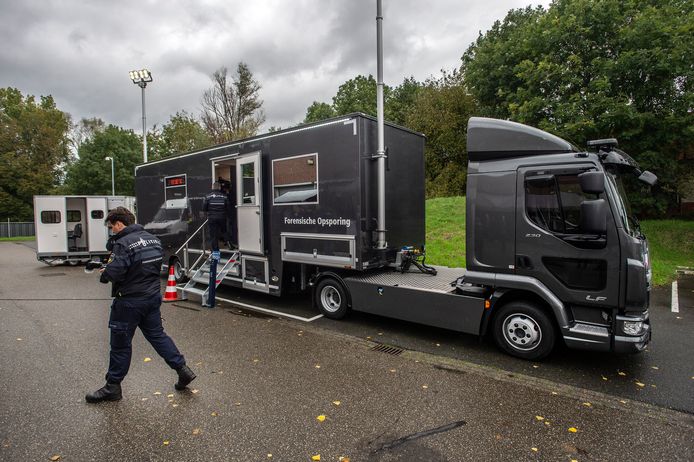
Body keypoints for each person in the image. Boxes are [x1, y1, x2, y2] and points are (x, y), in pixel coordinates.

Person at [86, 207, 196, 403]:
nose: (112, 231)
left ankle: (113, 387)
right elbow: (146, 266)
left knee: (120, 346)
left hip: (129, 301)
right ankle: (183, 370)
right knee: (158, 336)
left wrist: (104, 272)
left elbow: (114, 273)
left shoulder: (123, 243)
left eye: (112, 227)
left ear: (119, 223)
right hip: (151, 298)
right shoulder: (152, 239)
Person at [203, 181, 230, 251]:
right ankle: (229, 244)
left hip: (212, 218)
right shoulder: (224, 196)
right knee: (224, 231)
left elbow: (204, 208)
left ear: (212, 187)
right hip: (222, 217)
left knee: (213, 235)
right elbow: (228, 208)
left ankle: (216, 252)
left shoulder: (208, 196)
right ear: (219, 188)